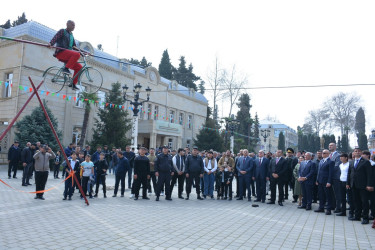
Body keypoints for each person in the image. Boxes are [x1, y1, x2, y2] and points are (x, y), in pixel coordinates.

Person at [48, 20, 82, 90]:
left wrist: (81, 51)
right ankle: (66, 68)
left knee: (79, 67)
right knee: (77, 55)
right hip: (61, 52)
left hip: (67, 55)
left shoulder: (71, 35)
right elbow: (55, 37)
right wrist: (50, 43)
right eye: (72, 25)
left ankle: (73, 83)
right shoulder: (62, 31)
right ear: (67, 24)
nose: (73, 27)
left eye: (74, 25)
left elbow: (74, 46)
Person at [347, 148, 374, 224]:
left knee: (364, 202)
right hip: (354, 185)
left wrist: (369, 184)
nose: (357, 152)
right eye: (355, 151)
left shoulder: (366, 162)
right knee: (356, 201)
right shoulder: (351, 162)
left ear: (361, 153)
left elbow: (369, 175)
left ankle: (365, 218)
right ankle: (357, 216)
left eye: (359, 151)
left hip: (363, 185)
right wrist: (348, 183)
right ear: (353, 153)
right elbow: (349, 173)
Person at [315, 149, 334, 215]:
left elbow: (331, 173)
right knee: (321, 195)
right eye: (322, 153)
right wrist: (317, 180)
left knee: (328, 196)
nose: (323, 154)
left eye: (324, 153)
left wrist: (329, 182)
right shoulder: (321, 161)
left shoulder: (330, 162)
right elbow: (318, 172)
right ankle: (321, 207)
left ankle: (328, 209)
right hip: (320, 181)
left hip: (326, 182)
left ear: (328, 154)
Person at [328, 143, 342, 213]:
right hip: (329, 177)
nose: (330, 146)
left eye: (331, 145)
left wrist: (327, 170)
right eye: (329, 145)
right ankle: (332, 205)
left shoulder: (338, 155)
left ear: (335, 147)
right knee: (331, 193)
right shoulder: (329, 155)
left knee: (337, 193)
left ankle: (338, 207)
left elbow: (336, 166)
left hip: (336, 177)